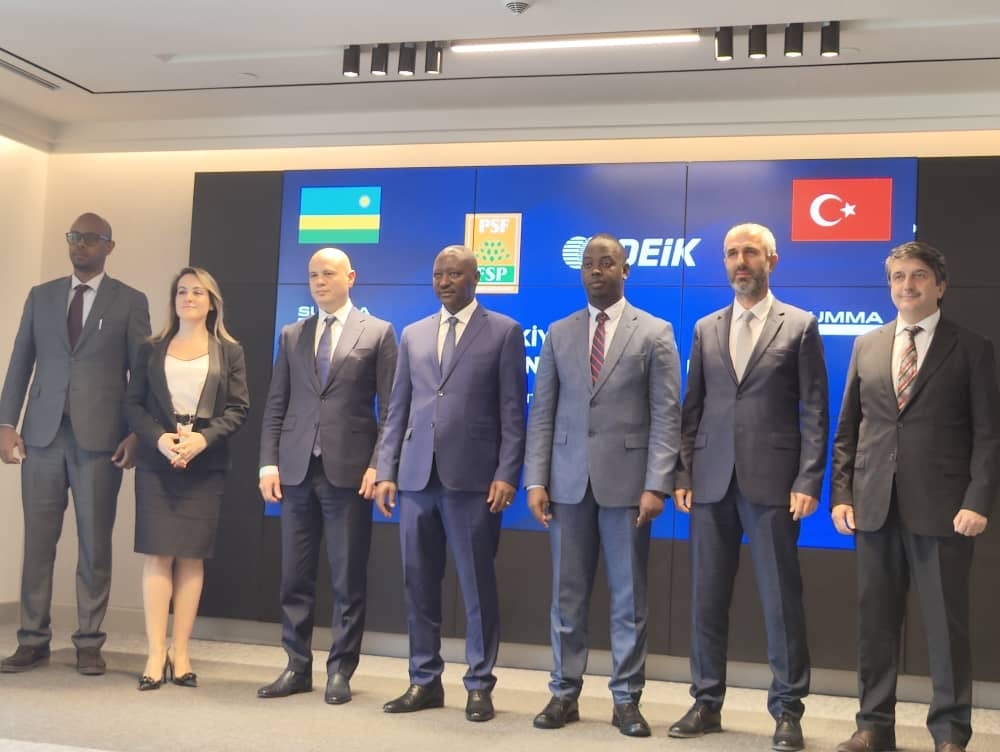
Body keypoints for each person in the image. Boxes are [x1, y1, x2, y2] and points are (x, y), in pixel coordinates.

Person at [831, 241, 999, 752]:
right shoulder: (868, 344)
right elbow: (848, 429)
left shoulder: (971, 348)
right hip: (874, 506)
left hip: (946, 512)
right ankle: (873, 726)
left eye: (919, 276)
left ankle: (950, 733)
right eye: (899, 276)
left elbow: (988, 435)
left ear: (940, 286)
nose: (908, 285)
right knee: (875, 625)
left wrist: (977, 500)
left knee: (946, 629)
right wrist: (841, 493)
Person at [669, 223, 828, 752]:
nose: (741, 261)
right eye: (732, 253)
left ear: (771, 261)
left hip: (774, 485)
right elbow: (691, 409)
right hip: (711, 482)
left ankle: (787, 710)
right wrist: (684, 472)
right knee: (707, 599)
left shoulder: (800, 325)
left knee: (781, 601)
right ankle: (706, 702)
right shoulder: (706, 327)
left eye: (751, 253)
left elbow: (816, 413)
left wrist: (809, 478)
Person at [524, 233, 681, 738]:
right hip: (567, 485)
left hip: (628, 488)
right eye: (589, 263)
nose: (596, 270)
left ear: (625, 270)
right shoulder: (559, 332)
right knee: (566, 597)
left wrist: (658, 482)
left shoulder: (655, 332)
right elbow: (542, 413)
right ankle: (563, 694)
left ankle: (626, 700)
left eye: (606, 262)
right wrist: (535, 479)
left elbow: (666, 415)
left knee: (628, 599)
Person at [374, 244, 525, 723]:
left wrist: (507, 473)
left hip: (474, 481)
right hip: (417, 478)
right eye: (438, 273)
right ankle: (424, 680)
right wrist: (386, 470)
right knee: (418, 583)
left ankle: (479, 685)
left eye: (454, 274)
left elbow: (512, 414)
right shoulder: (414, 334)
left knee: (477, 586)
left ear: (475, 279)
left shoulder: (503, 331)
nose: (444, 281)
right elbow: (397, 408)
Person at [0, 213, 150, 676]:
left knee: (94, 544)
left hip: (100, 441)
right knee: (38, 544)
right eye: (74, 238)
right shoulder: (42, 296)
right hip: (41, 436)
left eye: (90, 239)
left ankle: (89, 641)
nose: (79, 245)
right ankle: (32, 640)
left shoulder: (129, 301)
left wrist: (136, 434)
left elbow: (140, 376)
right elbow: (20, 362)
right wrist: (6, 424)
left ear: (109, 246)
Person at [256, 247, 397, 705]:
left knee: (347, 578)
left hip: (351, 472)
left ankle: (341, 671)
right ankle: (297, 665)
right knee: (293, 577)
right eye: (313, 274)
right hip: (296, 470)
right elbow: (277, 403)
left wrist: (380, 464)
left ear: (350, 277)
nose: (319, 281)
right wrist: (268, 461)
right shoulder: (293, 333)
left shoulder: (378, 332)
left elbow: (391, 409)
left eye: (329, 273)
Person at [125, 267, 248, 690]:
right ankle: (155, 653)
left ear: (211, 302)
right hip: (158, 461)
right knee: (158, 555)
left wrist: (202, 440)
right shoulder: (151, 348)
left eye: (198, 292)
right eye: (181, 291)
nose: (188, 298)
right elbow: (133, 405)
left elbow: (238, 409)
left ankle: (182, 652)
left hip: (204, 463)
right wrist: (159, 441)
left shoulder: (228, 351)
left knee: (191, 558)